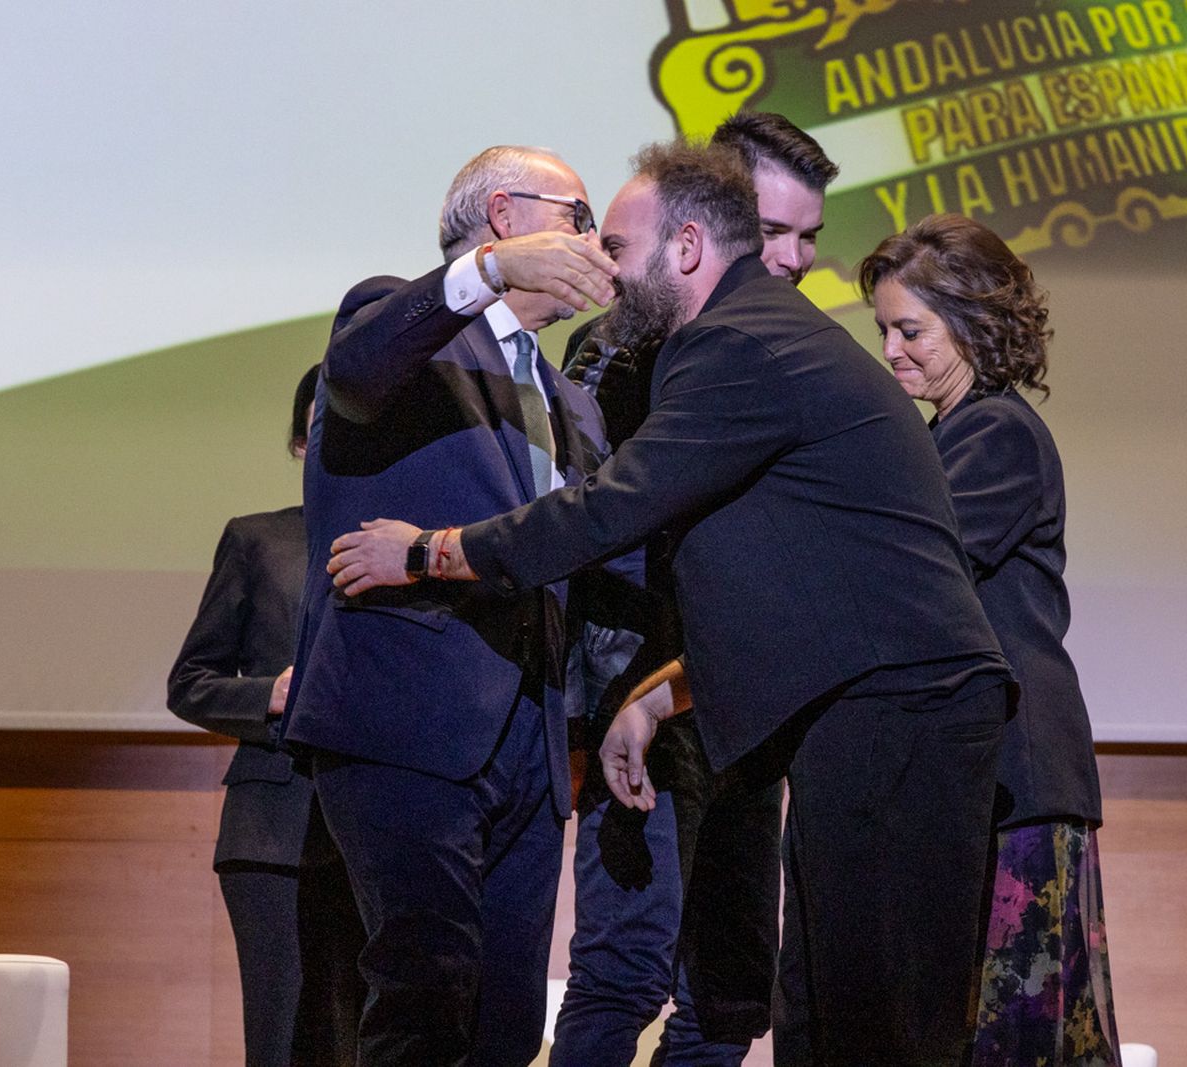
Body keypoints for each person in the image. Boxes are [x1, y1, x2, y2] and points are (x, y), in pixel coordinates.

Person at [329, 139, 1014, 1066]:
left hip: (892, 711)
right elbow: (790, 575)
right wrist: (656, 698)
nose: (600, 260)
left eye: (612, 239)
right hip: (860, 709)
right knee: (824, 1003)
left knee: (868, 1012)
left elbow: (614, 510)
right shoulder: (735, 339)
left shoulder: (734, 342)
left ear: (686, 249)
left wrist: (429, 550)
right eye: (581, 231)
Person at [277, 146, 617, 1065]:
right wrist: (489, 275)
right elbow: (354, 367)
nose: (596, 243)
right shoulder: (401, 324)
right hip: (405, 722)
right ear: (505, 214)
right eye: (579, 216)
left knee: (507, 1019)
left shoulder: (572, 403)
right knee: (425, 991)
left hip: (532, 746)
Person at [553, 111, 838, 1066]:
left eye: (808, 236)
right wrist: (611, 711)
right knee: (622, 970)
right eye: (773, 231)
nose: (792, 258)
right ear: (703, 221)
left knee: (729, 995)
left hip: (746, 714)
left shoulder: (794, 351)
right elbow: (590, 532)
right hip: (644, 702)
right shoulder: (621, 346)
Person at [859, 213, 1121, 1067]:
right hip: (991, 776)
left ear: (973, 321)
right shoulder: (950, 432)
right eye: (884, 331)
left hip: (1021, 774)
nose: (892, 350)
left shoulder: (996, 432)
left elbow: (918, 576)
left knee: (1021, 1034)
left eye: (911, 329)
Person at [167, 363, 365, 1067]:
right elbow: (189, 682)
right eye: (320, 423)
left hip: (380, 827)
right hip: (274, 831)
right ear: (298, 442)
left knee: (367, 1039)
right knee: (283, 1036)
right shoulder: (257, 540)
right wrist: (268, 694)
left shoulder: (408, 547)